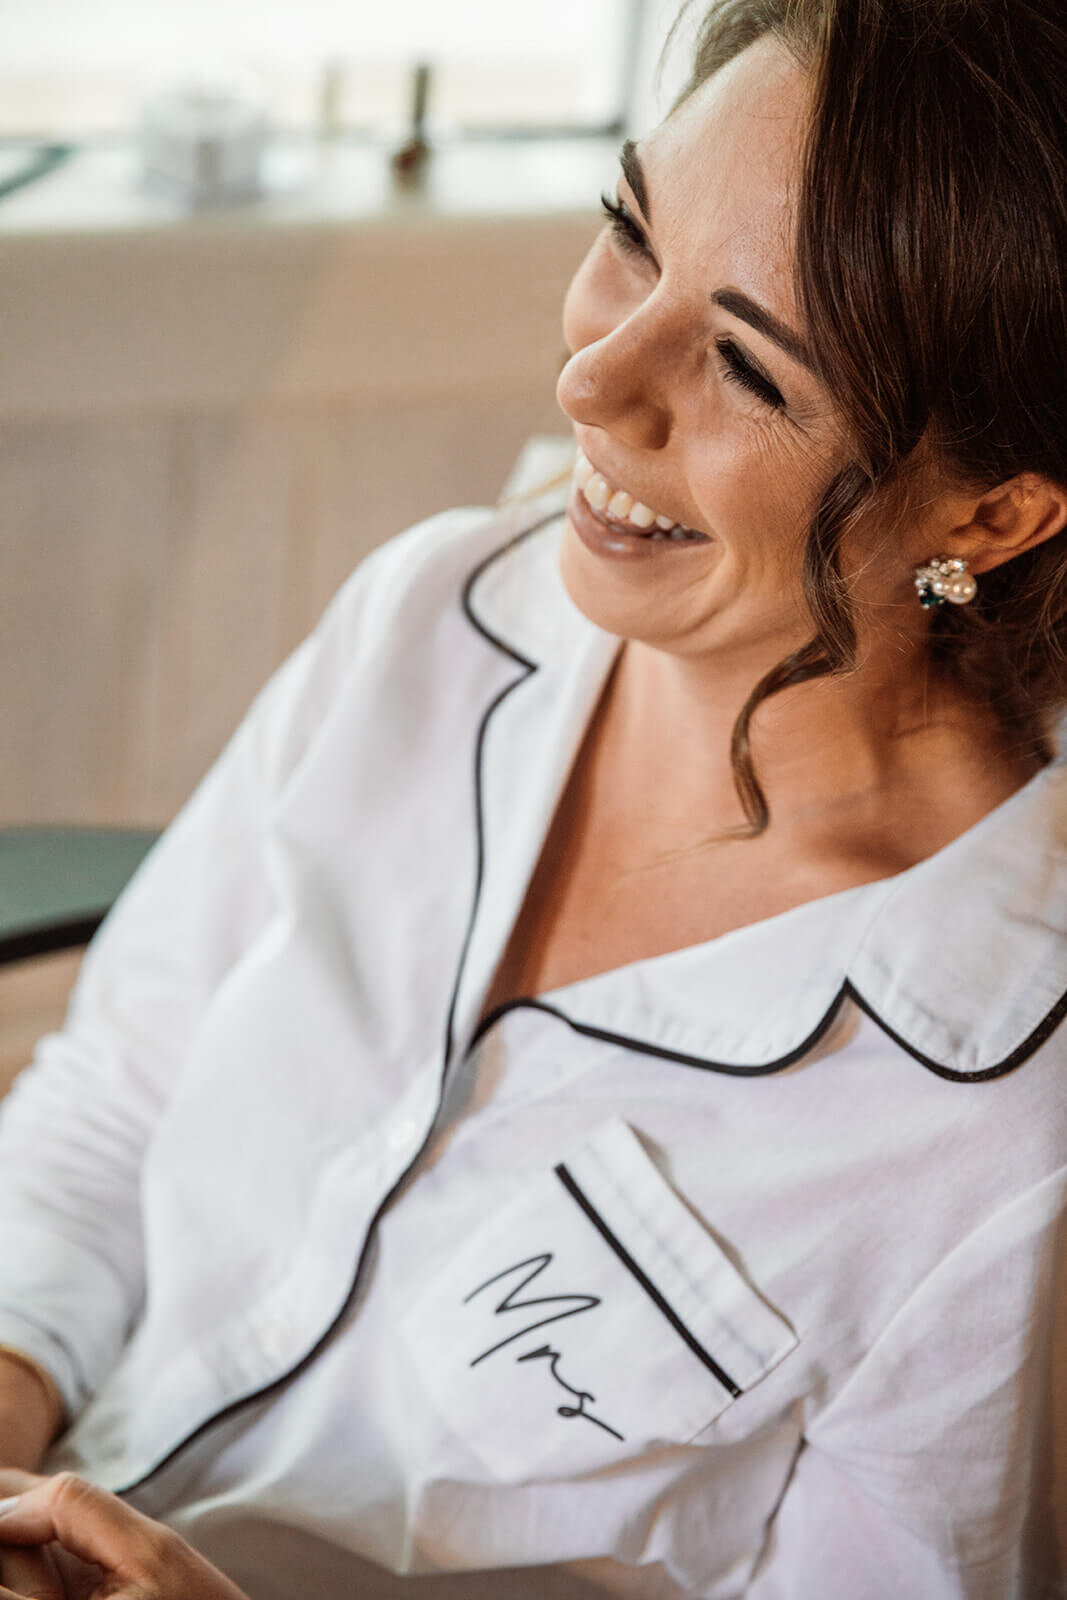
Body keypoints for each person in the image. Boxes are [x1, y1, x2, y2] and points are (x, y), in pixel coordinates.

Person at [0, 0, 1065, 1594]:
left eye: (749, 371)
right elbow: (116, 1102)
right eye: (632, 237)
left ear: (987, 515)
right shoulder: (438, 610)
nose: (593, 376)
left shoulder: (1003, 1136)